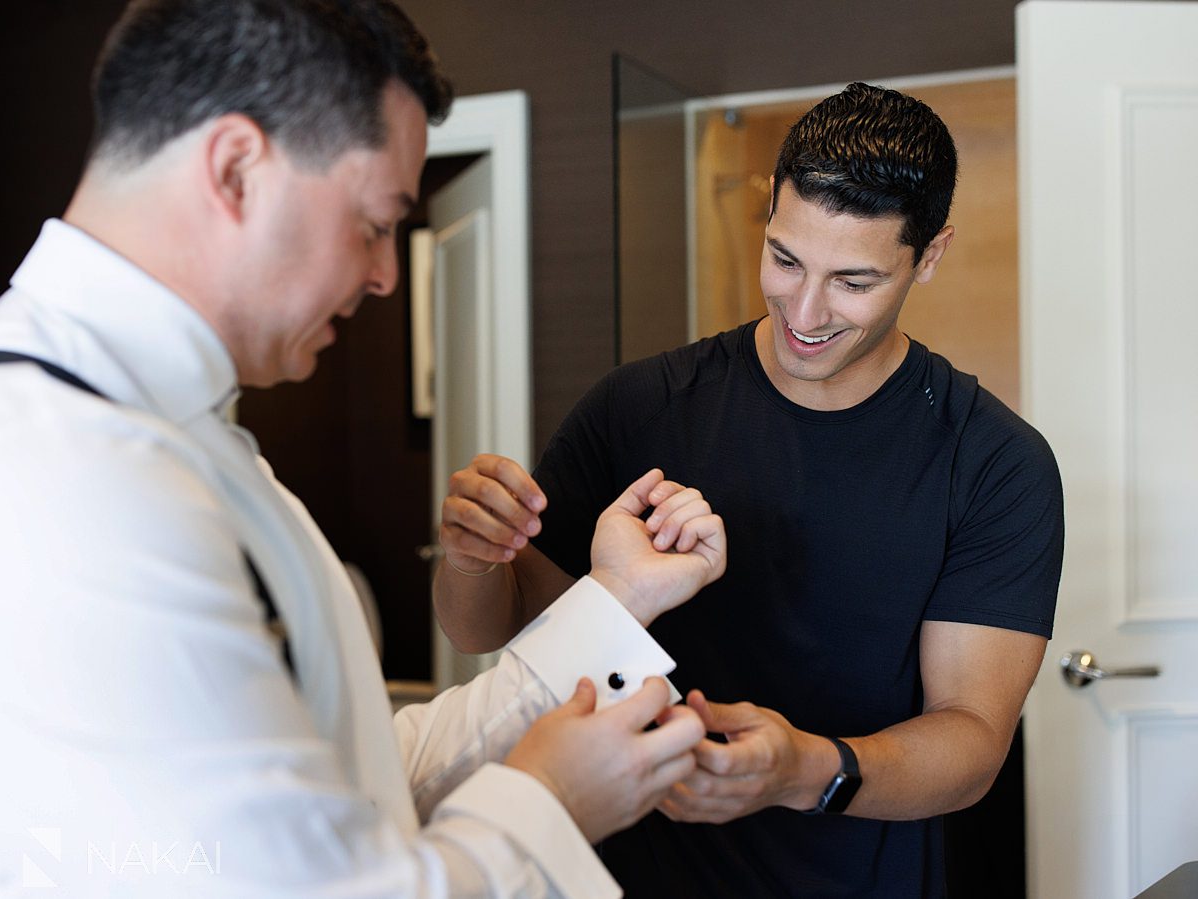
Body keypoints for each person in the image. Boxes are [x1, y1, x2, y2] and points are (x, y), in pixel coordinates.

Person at [0, 2, 729, 896]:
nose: (386, 273)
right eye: (376, 221)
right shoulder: (77, 478)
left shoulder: (180, 434)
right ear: (235, 169)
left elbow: (356, 777)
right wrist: (549, 801)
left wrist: (617, 600)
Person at [435, 83, 1065, 896]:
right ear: (770, 209)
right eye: (786, 258)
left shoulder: (993, 462)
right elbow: (491, 630)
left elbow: (972, 741)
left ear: (930, 255)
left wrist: (804, 768)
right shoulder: (637, 408)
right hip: (623, 871)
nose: (804, 309)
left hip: (858, 877)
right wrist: (471, 557)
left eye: (853, 281)